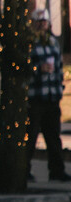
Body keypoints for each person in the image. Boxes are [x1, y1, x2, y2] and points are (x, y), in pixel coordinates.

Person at [28, 9, 68, 182]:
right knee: (30, 137)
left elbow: (58, 67)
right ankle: (24, 170)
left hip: (52, 96)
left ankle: (57, 171)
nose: (41, 25)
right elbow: (23, 67)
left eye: (44, 22)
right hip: (35, 97)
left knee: (53, 137)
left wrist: (59, 87)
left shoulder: (53, 43)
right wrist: (38, 69)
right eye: (38, 22)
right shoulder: (29, 44)